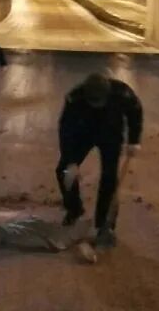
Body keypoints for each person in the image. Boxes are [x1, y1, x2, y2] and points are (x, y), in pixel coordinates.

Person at [55, 73, 143, 248]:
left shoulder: (122, 93)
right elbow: (65, 130)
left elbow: (135, 112)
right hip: (84, 134)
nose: (97, 105)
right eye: (93, 102)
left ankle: (104, 225)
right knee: (63, 171)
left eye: (100, 102)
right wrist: (71, 161)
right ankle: (74, 209)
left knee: (109, 178)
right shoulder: (74, 98)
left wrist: (134, 140)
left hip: (111, 135)